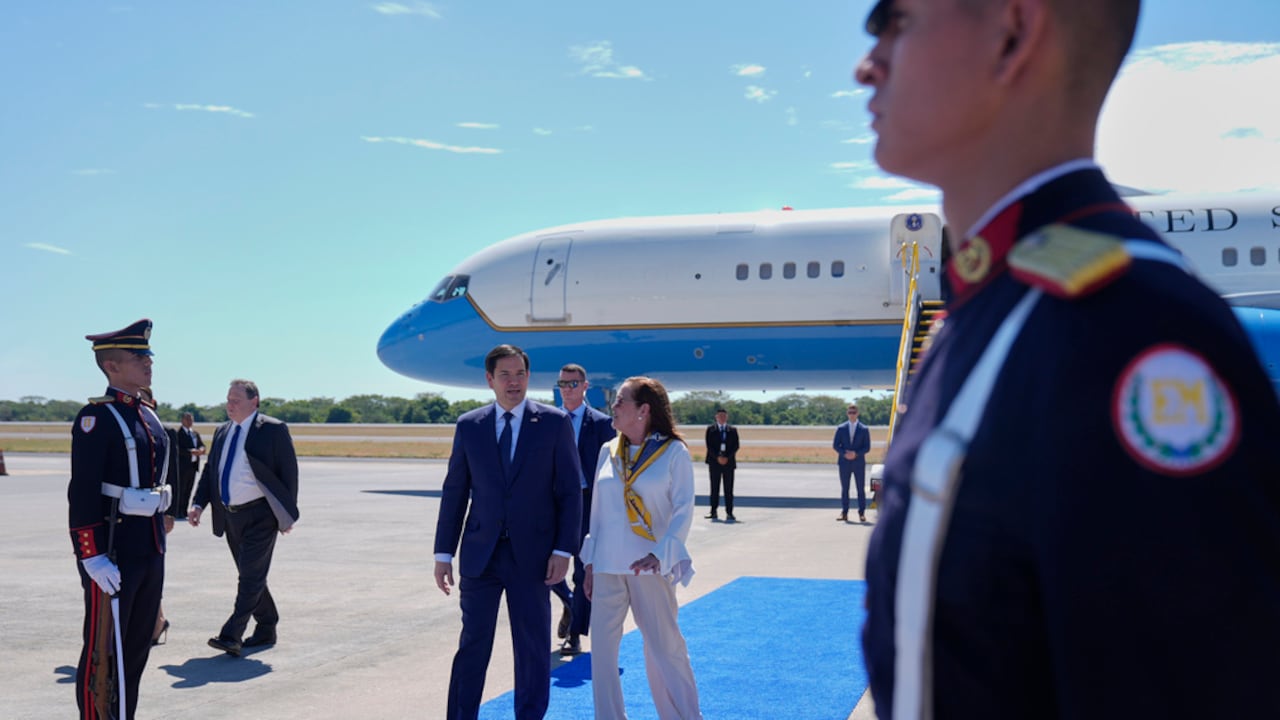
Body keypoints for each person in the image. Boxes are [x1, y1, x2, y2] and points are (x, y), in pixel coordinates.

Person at [854, 1, 1280, 718]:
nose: (867, 64)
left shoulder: (1131, 332)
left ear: (1013, 34)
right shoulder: (998, 308)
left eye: (896, 21)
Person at [433, 344, 582, 720]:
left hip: (534, 558)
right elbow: (455, 492)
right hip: (480, 555)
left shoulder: (553, 423)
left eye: (520, 374)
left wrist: (563, 550)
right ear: (490, 380)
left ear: (528, 377)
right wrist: (443, 553)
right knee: (472, 645)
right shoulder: (470, 426)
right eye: (505, 375)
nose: (513, 382)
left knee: (532, 647)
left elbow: (569, 492)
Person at [582, 376, 702, 720]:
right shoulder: (608, 451)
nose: (614, 406)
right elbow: (597, 512)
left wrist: (662, 554)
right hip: (607, 565)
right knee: (602, 654)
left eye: (621, 401)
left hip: (649, 566)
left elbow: (683, 510)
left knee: (664, 651)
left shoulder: (673, 452)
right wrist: (590, 563)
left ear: (643, 410)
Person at [69, 319, 170, 719]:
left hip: (150, 549)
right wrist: (91, 556)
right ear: (111, 366)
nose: (148, 363)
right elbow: (82, 491)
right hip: (113, 553)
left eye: (148, 355)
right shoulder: (97, 419)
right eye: (138, 356)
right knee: (102, 652)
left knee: (136, 650)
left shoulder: (148, 416)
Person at [189, 379, 300, 657]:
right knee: (251, 575)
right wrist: (198, 504)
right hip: (230, 517)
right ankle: (267, 625)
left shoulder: (272, 430)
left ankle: (231, 635)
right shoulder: (222, 431)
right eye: (228, 400)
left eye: (236, 400)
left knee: (250, 577)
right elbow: (211, 471)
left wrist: (286, 514)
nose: (230, 405)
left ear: (254, 402)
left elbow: (289, 473)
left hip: (261, 514)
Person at [548, 363, 617, 657]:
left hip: (587, 501)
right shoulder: (547, 420)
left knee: (582, 568)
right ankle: (569, 601)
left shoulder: (601, 424)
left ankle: (575, 633)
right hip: (552, 501)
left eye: (573, 384)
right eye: (563, 384)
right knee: (542, 564)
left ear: (585, 386)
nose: (567, 389)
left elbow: (611, 469)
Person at [832, 404, 871, 522]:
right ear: (847, 414)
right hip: (844, 463)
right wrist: (844, 453)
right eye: (850, 412)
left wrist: (856, 454)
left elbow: (867, 447)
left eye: (854, 412)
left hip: (858, 463)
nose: (852, 415)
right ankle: (844, 512)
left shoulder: (864, 429)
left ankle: (861, 513)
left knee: (860, 489)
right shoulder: (841, 428)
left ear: (857, 413)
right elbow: (835, 445)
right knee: (845, 488)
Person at [702, 408, 739, 521]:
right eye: (720, 416)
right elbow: (709, 446)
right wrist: (717, 457)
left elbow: (736, 446)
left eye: (724, 416)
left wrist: (727, 457)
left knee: (729, 489)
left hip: (728, 463)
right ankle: (713, 511)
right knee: (714, 487)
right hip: (714, 463)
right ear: (716, 417)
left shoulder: (732, 430)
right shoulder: (711, 429)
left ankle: (729, 512)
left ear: (727, 417)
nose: (722, 418)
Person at [174, 412, 205, 516]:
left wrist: (201, 449)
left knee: (189, 489)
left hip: (193, 466)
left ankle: (184, 510)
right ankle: (178, 510)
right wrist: (190, 452)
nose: (190, 422)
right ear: (182, 420)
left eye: (191, 419)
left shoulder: (195, 434)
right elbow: (178, 449)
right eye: (187, 419)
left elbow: (201, 444)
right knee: (181, 489)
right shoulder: (178, 434)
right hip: (183, 466)